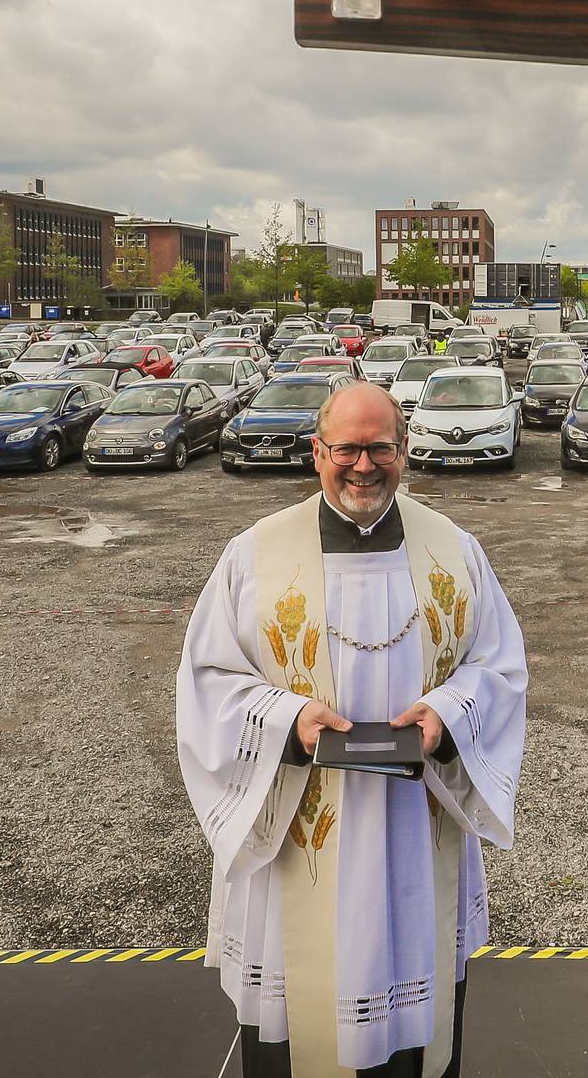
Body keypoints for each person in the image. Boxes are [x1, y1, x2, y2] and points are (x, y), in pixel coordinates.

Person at [178, 381, 530, 1077]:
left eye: (380, 448)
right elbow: (207, 681)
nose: (363, 466)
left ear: (404, 451)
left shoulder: (454, 551)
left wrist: (447, 714)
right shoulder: (253, 556)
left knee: (412, 1032)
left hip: (412, 828)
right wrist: (289, 718)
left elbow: (500, 665)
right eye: (347, 449)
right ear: (317, 451)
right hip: (300, 831)